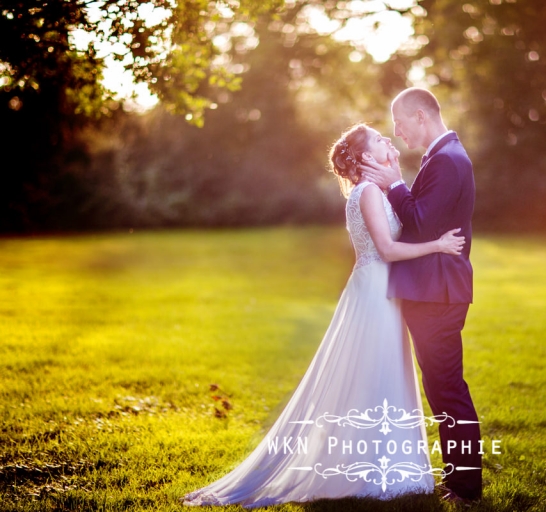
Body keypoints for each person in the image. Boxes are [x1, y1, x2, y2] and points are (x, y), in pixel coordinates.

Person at [182, 123, 465, 508]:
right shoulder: (367, 193)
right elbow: (386, 249)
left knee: (381, 372)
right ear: (366, 157)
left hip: (386, 290)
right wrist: (439, 245)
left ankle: (388, 467)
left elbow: (409, 219)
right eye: (381, 140)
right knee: (374, 372)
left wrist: (397, 176)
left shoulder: (377, 190)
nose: (389, 142)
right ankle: (371, 470)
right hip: (375, 291)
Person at [361, 87, 482, 504]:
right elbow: (425, 217)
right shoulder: (442, 156)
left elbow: (421, 223)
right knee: (442, 388)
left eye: (399, 122)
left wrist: (394, 184)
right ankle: (460, 482)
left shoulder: (447, 160)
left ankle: (465, 487)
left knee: (447, 390)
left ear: (420, 116)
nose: (396, 132)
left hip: (438, 293)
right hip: (434, 290)